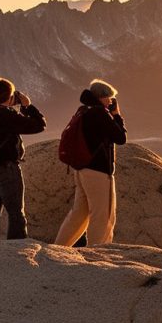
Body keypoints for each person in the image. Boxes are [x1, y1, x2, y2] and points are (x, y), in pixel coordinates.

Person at [54, 79, 127, 246]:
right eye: (109, 98)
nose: (111, 101)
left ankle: (58, 247)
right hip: (98, 172)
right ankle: (99, 253)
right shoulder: (100, 114)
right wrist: (116, 116)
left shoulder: (84, 110)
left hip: (81, 170)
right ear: (101, 97)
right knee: (102, 215)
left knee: (79, 214)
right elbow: (120, 138)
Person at [0, 78, 47, 244]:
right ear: (9, 98)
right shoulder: (5, 115)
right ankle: (16, 250)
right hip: (7, 169)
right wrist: (27, 106)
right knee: (16, 212)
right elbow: (39, 125)